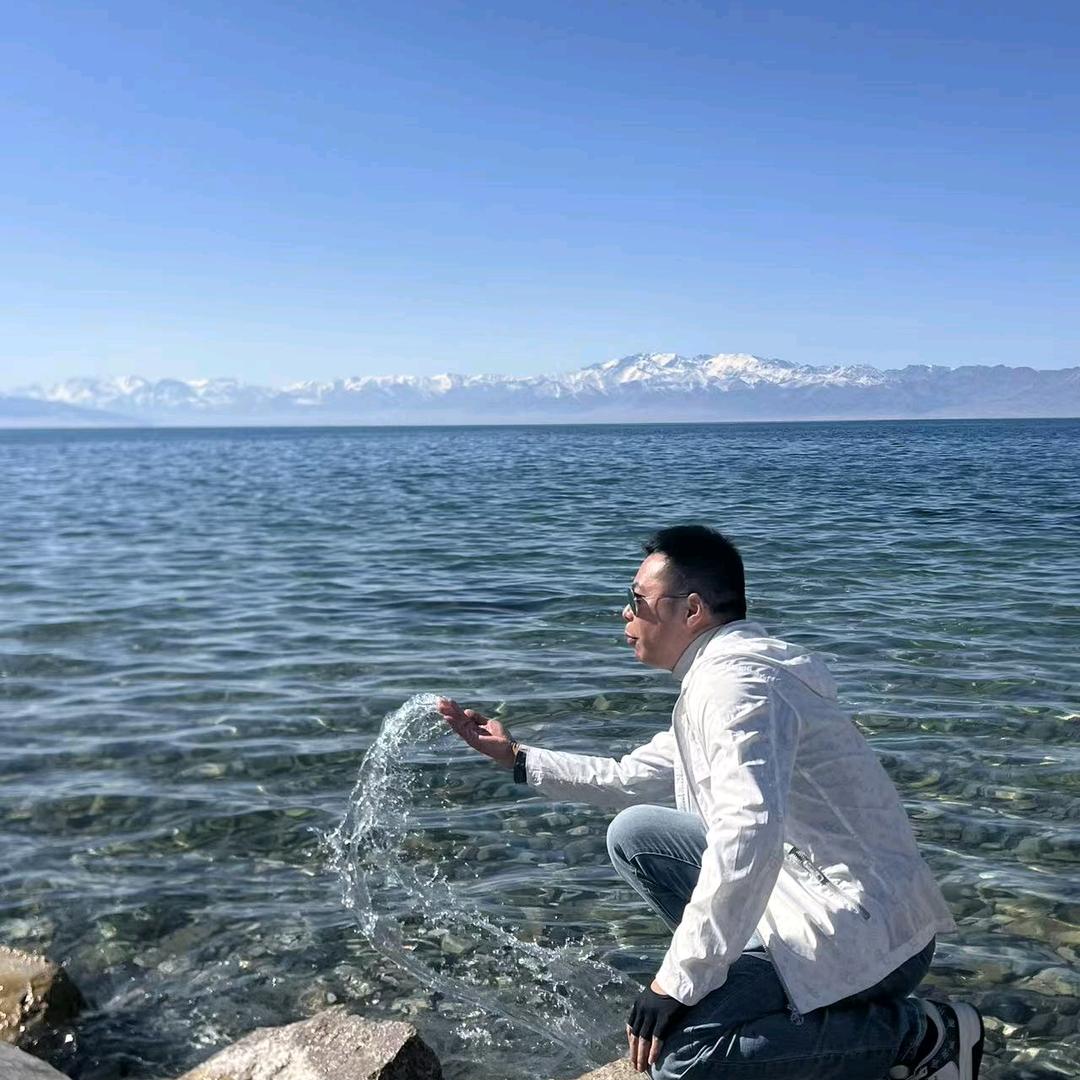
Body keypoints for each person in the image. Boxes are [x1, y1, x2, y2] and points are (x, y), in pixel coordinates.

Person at [438, 524, 984, 1080]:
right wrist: (516, 758)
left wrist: (677, 979)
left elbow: (748, 833)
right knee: (636, 833)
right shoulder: (720, 677)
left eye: (636, 600)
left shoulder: (736, 687)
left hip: (870, 935)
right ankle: (757, 984)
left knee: (681, 1059)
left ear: (692, 609)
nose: (622, 614)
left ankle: (920, 1035)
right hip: (815, 902)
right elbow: (628, 777)